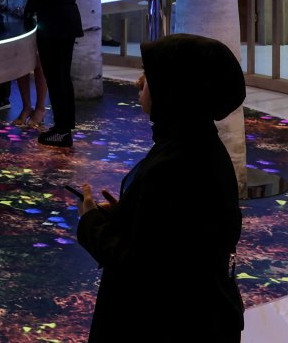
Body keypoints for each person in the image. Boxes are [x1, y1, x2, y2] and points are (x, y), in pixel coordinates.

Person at [77, 34, 245, 342]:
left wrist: (90, 221)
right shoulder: (196, 143)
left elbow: (143, 269)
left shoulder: (177, 162)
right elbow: (175, 236)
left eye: (149, 74)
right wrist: (129, 213)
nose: (139, 82)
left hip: (165, 323)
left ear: (176, 86)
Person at [29, 0, 84, 147]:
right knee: (63, 76)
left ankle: (62, 130)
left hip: (51, 25)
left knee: (55, 76)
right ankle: (65, 126)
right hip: (69, 21)